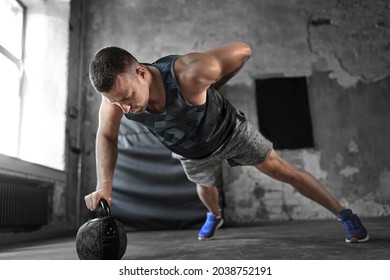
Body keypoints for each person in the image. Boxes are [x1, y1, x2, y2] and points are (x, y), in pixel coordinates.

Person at [84, 42, 369, 243]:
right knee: (206, 189)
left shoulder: (190, 72)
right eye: (115, 102)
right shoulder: (115, 99)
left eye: (127, 97)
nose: (124, 108)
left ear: (142, 74)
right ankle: (214, 215)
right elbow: (107, 135)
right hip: (191, 152)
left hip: (230, 131)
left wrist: (214, 83)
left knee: (283, 170)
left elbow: (243, 50)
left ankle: (345, 215)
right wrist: (104, 186)